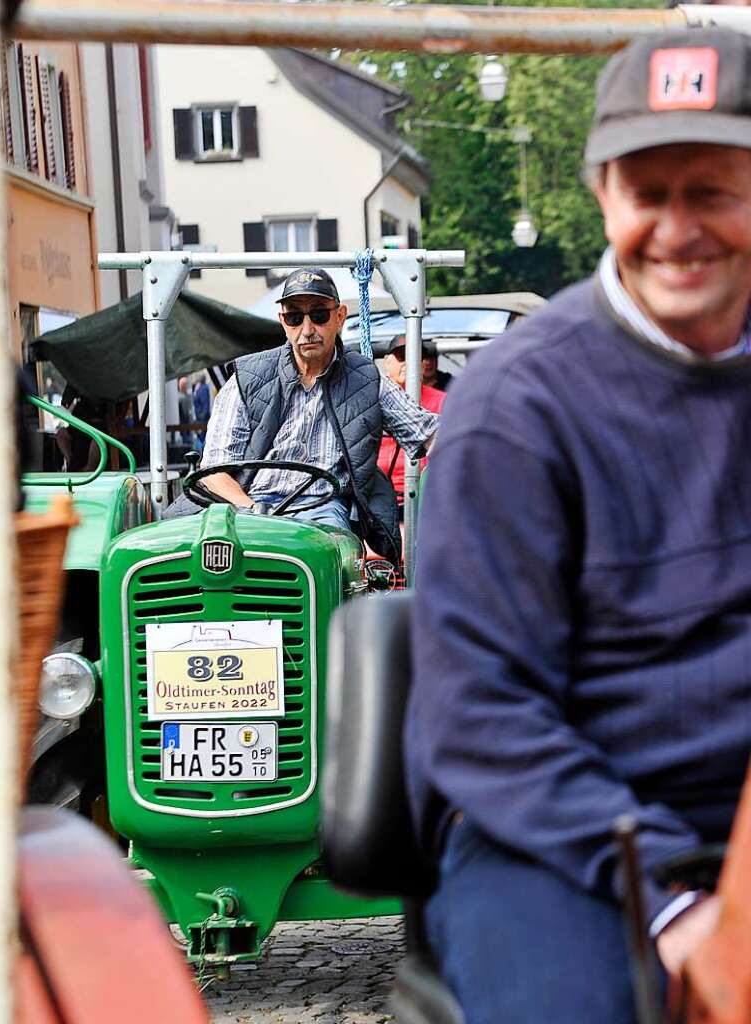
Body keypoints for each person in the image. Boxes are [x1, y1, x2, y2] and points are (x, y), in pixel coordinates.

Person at [405, 28, 751, 1024]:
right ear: (604, 194)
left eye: (713, 191)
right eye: (649, 194)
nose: (678, 229)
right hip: (558, 829)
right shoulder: (518, 405)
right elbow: (479, 712)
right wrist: (677, 903)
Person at [199, 267, 438, 563]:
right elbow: (214, 471)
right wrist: (252, 511)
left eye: (319, 315)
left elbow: (431, 435)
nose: (307, 329)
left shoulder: (365, 379)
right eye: (295, 317)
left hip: (324, 509)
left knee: (332, 561)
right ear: (283, 322)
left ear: (339, 317)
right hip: (251, 508)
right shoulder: (247, 379)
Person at [377, 335, 445, 513]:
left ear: (423, 366)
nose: (408, 363)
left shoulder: (442, 401)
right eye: (402, 357)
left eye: (415, 358)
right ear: (387, 363)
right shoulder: (368, 397)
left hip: (425, 500)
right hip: (376, 496)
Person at [192, 372, 211, 451]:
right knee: (200, 437)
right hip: (199, 417)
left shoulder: (203, 388)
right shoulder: (198, 388)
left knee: (203, 437)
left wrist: (202, 417)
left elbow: (205, 405)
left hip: (202, 419)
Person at [177, 376, 194, 447]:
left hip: (187, 424)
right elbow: (185, 412)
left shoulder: (187, 396)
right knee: (186, 443)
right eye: (186, 384)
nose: (187, 386)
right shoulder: (181, 397)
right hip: (184, 424)